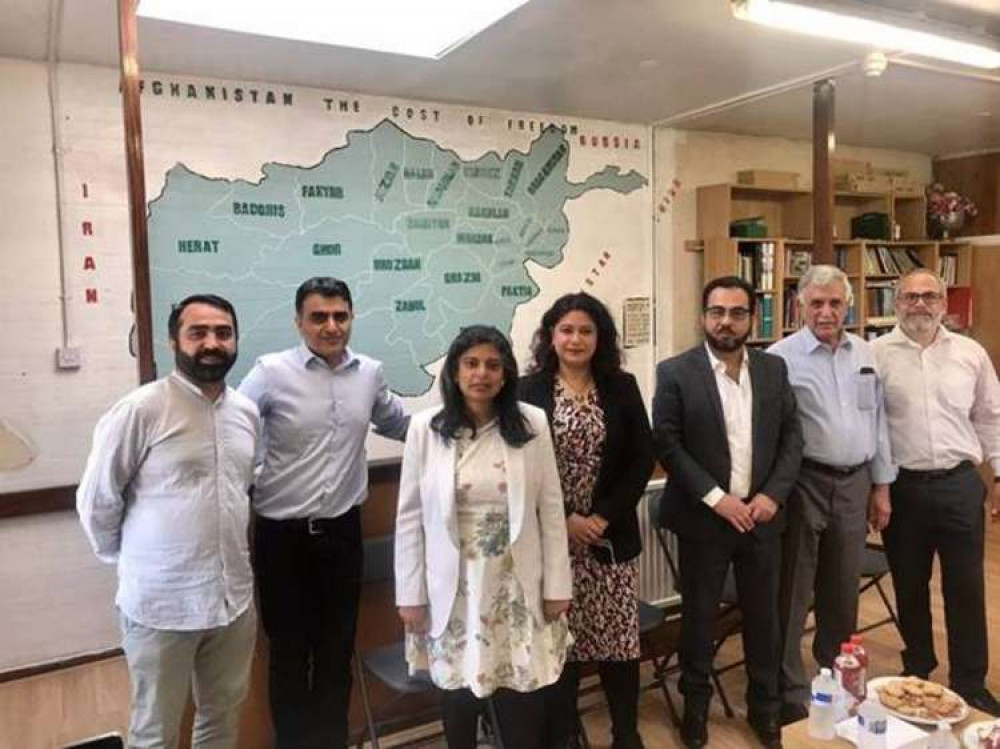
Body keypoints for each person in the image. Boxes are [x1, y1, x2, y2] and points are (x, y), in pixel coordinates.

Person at [77, 294, 259, 749]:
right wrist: (133, 561)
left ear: (236, 340)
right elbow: (97, 499)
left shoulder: (247, 414)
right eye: (198, 333)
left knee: (221, 718)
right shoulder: (141, 410)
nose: (212, 343)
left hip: (231, 600)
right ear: (173, 341)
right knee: (155, 730)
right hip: (161, 605)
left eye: (223, 332)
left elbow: (242, 491)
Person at [237, 277, 409, 749]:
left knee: (336, 654)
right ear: (299, 322)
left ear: (351, 318)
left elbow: (401, 424)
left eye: (340, 316)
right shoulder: (270, 372)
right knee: (290, 656)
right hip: (281, 538)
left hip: (342, 535)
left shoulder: (369, 373)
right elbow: (233, 430)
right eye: (319, 317)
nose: (331, 326)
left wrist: (469, 421)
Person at [394, 325, 573, 749]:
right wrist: (410, 594)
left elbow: (550, 510)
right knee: (457, 697)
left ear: (507, 373)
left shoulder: (532, 423)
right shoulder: (426, 428)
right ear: (455, 373)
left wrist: (557, 587)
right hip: (452, 587)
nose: (481, 374)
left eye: (493, 365)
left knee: (520, 697)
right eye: (470, 364)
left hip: (515, 585)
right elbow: (409, 518)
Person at [653, 275, 802, 749]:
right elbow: (668, 444)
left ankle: (765, 708)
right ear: (703, 317)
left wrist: (771, 496)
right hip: (705, 522)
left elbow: (792, 439)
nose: (726, 321)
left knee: (764, 620)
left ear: (750, 317)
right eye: (717, 312)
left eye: (737, 312)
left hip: (762, 519)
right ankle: (695, 708)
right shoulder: (675, 372)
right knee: (698, 621)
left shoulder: (774, 370)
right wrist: (719, 500)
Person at [519, 292, 654, 749]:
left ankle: (625, 735)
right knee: (563, 646)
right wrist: (565, 521)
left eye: (586, 331)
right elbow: (520, 470)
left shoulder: (622, 386)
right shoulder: (526, 392)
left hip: (608, 539)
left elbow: (641, 460)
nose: (575, 339)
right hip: (551, 543)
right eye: (566, 330)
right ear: (551, 336)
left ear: (601, 338)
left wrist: (600, 517)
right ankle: (564, 737)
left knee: (618, 646)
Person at [766, 265, 895, 724]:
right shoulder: (779, 358)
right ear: (800, 305)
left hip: (855, 482)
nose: (826, 312)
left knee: (842, 590)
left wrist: (881, 487)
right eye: (816, 303)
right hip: (804, 482)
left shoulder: (867, 354)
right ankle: (790, 690)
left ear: (848, 305)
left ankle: (835, 680)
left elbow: (877, 421)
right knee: (795, 590)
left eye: (835, 303)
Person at [872, 267, 1000, 717]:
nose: (919, 304)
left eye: (929, 296)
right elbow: (872, 428)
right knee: (909, 586)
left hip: (959, 485)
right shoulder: (875, 355)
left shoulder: (970, 353)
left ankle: (969, 681)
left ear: (944, 303)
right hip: (902, 488)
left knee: (965, 586)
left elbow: (991, 415)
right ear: (897, 302)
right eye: (910, 297)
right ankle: (917, 671)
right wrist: (878, 489)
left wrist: (999, 476)